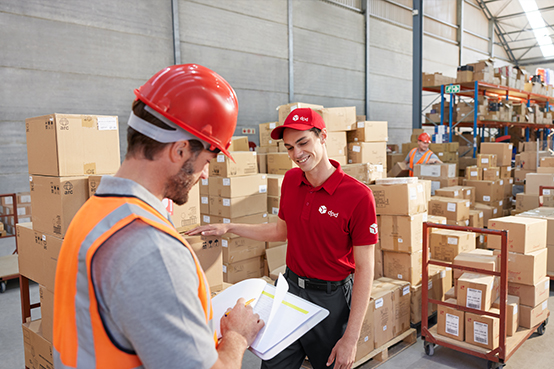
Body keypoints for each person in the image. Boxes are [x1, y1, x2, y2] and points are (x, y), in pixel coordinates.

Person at [53, 64, 264, 369]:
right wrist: (237, 338)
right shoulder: (151, 248)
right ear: (179, 150)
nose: (205, 175)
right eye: (206, 160)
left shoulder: (96, 213)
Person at [187, 108, 377, 369]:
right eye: (289, 147)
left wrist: (351, 337)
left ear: (323, 137)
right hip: (289, 292)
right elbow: (280, 231)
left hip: (330, 301)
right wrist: (229, 227)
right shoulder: (290, 180)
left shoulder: (358, 196)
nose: (297, 154)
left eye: (303, 142)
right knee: (274, 363)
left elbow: (365, 269)